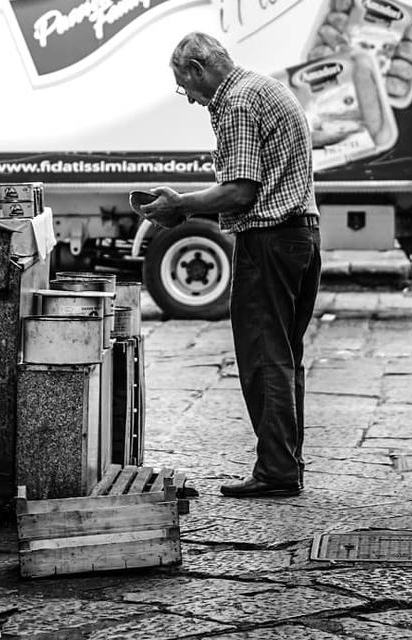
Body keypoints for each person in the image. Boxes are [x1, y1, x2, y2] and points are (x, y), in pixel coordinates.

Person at [140, 32, 321, 498]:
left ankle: (277, 472)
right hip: (301, 237)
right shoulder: (264, 87)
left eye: (186, 88)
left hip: (270, 240)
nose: (193, 100)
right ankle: (285, 464)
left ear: (199, 70)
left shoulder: (236, 103)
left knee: (265, 359)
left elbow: (241, 190)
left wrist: (180, 205)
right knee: (284, 356)